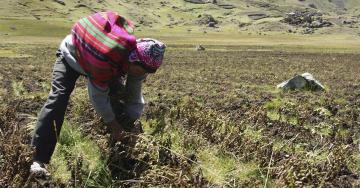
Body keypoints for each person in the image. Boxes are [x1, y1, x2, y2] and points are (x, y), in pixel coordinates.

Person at [29, 11, 166, 176]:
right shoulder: (106, 60)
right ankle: (38, 159)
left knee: (118, 101)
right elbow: (97, 97)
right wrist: (114, 126)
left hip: (109, 65)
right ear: (133, 59)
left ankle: (118, 159)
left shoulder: (140, 65)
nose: (141, 74)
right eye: (141, 70)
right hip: (71, 56)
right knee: (58, 99)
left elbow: (134, 96)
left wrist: (130, 125)